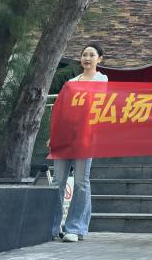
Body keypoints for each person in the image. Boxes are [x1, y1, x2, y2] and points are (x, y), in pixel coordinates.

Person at [51, 42, 108, 243]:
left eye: (92, 55)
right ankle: (52, 226)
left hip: (86, 136)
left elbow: (101, 107)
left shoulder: (102, 80)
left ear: (100, 59)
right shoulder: (72, 82)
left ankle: (75, 228)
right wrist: (54, 135)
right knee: (57, 181)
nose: (87, 58)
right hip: (65, 136)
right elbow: (62, 110)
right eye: (84, 55)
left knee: (81, 182)